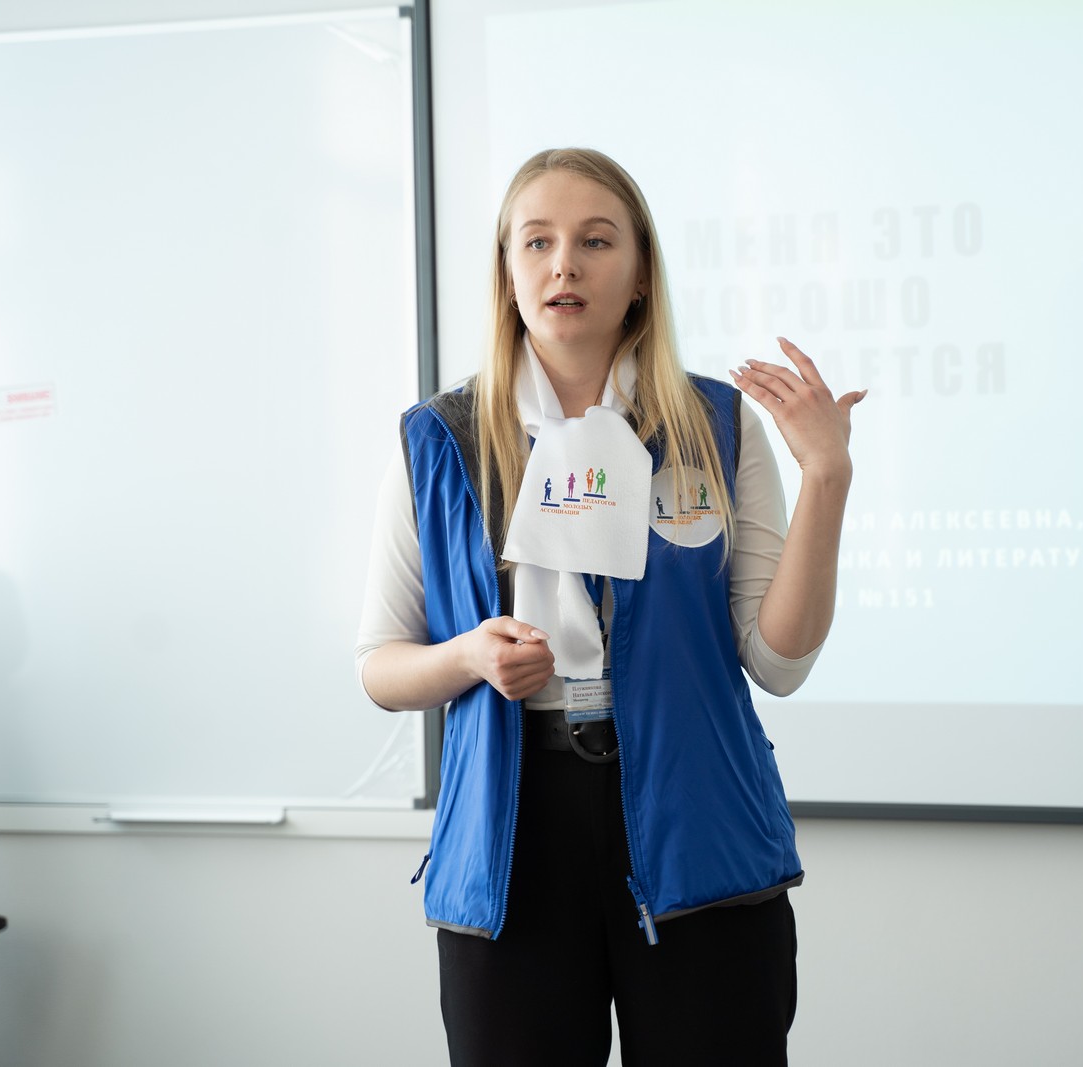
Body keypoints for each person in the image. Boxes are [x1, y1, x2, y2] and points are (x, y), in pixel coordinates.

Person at [354, 147, 864, 1065]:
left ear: (639, 275)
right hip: (512, 838)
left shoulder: (717, 424)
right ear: (508, 273)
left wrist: (826, 474)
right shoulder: (436, 440)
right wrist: (470, 656)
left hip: (694, 824)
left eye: (596, 241)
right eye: (537, 242)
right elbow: (381, 667)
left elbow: (778, 661)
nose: (565, 264)